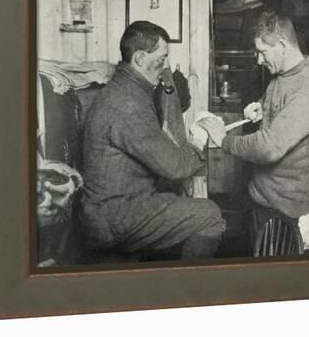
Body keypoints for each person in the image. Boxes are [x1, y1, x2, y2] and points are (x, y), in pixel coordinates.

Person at [80, 20, 226, 260]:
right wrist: (199, 138)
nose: (165, 66)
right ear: (139, 59)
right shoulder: (127, 104)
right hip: (115, 216)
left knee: (180, 197)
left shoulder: (126, 91)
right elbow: (176, 167)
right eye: (161, 59)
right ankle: (189, 292)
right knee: (209, 216)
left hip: (110, 208)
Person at [200, 10, 309, 220]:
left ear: (281, 46)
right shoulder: (282, 76)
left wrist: (224, 141)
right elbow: (283, 107)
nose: (259, 60)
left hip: (283, 211)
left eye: (263, 52)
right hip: (262, 198)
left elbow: (270, 148)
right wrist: (262, 107)